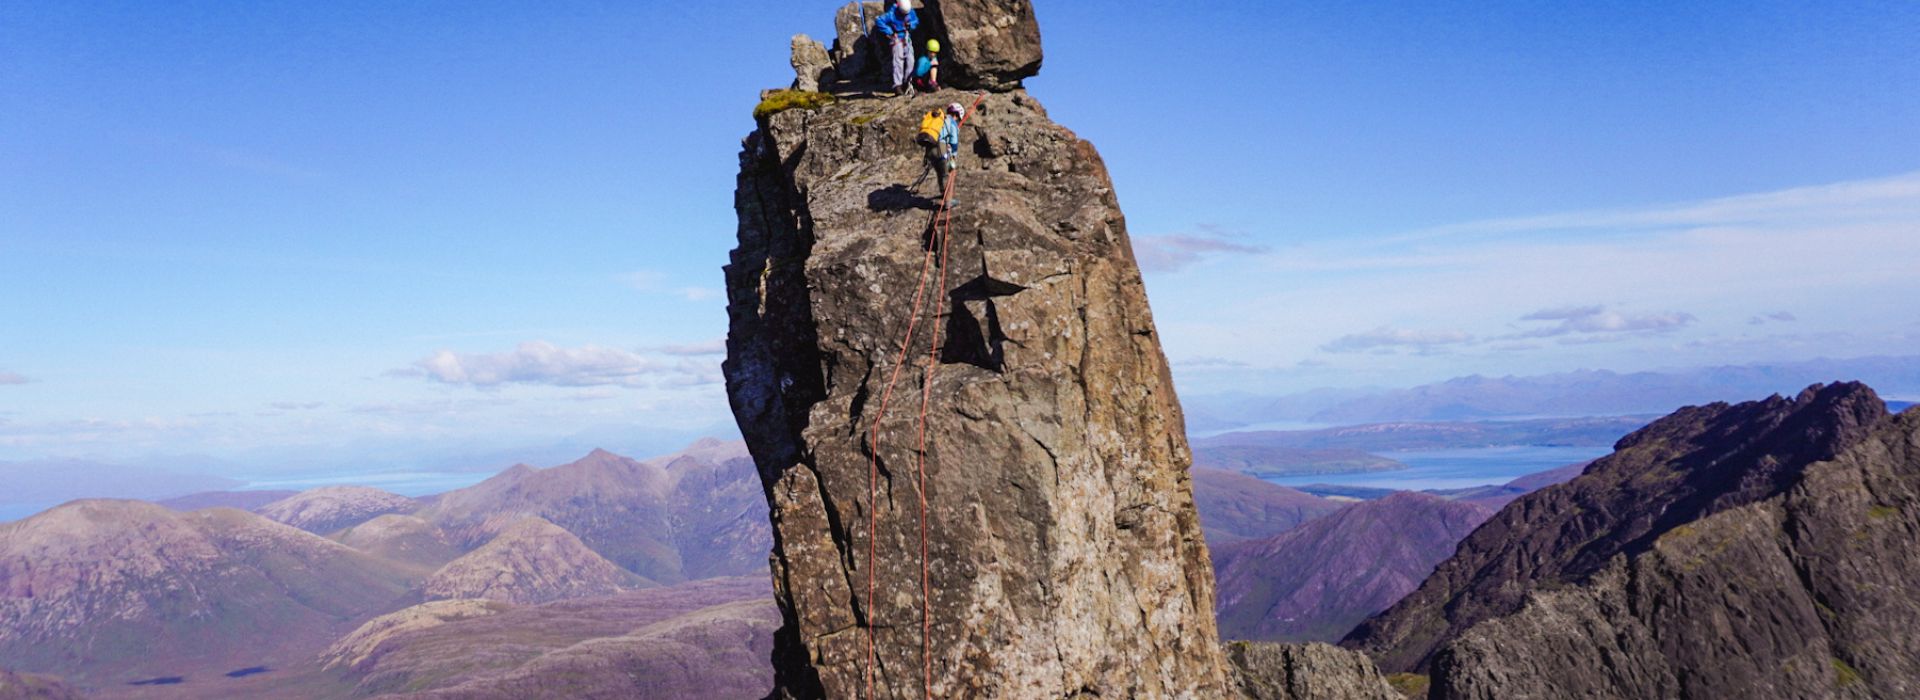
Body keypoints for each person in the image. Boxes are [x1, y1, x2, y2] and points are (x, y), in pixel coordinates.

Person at [916, 103, 964, 203]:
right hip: (941, 149)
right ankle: (948, 201)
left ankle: (943, 194)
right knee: (949, 173)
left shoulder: (940, 120)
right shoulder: (951, 122)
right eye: (958, 118)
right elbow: (954, 141)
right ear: (956, 114)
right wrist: (953, 156)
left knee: (940, 172)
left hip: (929, 150)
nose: (957, 120)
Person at [874, 0, 920, 96]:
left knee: (911, 61)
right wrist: (889, 32)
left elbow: (915, 20)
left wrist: (911, 25)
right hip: (897, 39)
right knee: (898, 62)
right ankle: (898, 85)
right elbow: (879, 21)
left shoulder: (910, 11)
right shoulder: (892, 13)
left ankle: (908, 82)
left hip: (907, 38)